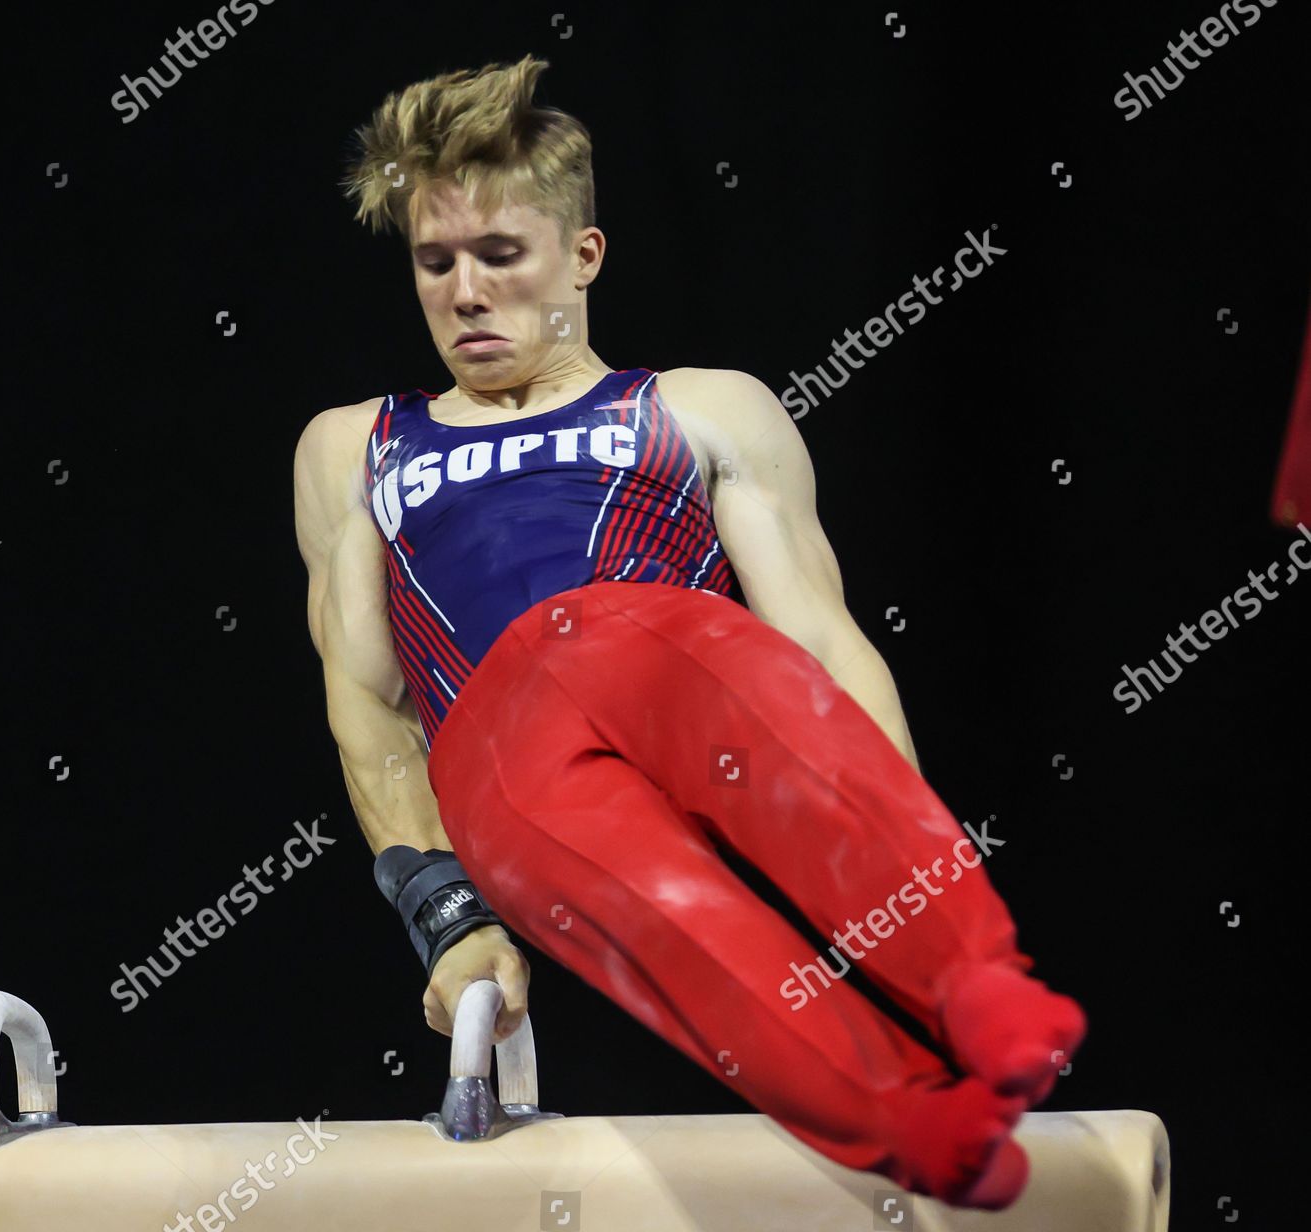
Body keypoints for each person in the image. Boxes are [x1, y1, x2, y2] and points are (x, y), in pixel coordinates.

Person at [292, 54, 1085, 1210]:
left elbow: (821, 650)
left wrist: (914, 879)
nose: (465, 291)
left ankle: (976, 984)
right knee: (694, 936)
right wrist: (447, 916)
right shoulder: (353, 445)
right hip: (501, 762)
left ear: (583, 256)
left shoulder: (701, 410)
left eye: (501, 255)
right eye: (436, 260)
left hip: (660, 664)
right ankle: (910, 1119)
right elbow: (367, 704)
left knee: (659, 640)